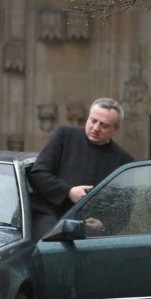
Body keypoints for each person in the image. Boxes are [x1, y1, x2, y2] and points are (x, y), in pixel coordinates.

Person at [29, 97, 135, 239]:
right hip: (50, 215)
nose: (96, 128)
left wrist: (104, 225)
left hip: (90, 227)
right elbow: (38, 174)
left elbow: (124, 209)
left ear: (115, 129)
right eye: (93, 121)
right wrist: (69, 191)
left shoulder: (124, 160)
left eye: (104, 125)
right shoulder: (64, 136)